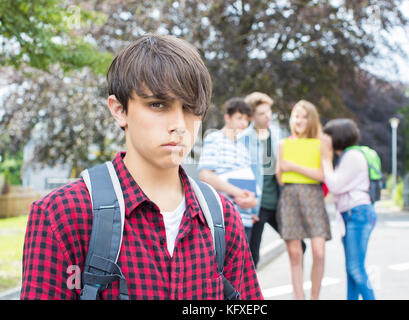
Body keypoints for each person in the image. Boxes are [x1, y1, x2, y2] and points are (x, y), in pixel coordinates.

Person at [20, 34, 262, 300]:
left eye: (191, 107)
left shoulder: (223, 219)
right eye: (158, 104)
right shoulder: (62, 215)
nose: (179, 124)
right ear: (119, 109)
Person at [238, 92, 307, 269]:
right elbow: (242, 174)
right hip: (257, 206)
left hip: (278, 202)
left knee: (300, 245)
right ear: (252, 117)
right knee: (251, 257)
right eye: (262, 113)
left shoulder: (277, 134)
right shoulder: (244, 139)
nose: (267, 116)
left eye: (268, 111)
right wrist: (247, 209)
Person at [276, 100, 331, 300]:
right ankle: (298, 297)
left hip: (313, 199)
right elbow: (280, 177)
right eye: (296, 116)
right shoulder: (283, 144)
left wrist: (293, 166)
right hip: (290, 198)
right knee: (295, 254)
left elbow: (322, 174)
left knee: (319, 252)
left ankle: (314, 297)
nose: (299, 120)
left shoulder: (322, 143)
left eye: (304, 116)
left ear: (312, 119)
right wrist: (286, 169)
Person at [321, 118, 377, 300]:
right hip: (352, 215)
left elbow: (335, 186)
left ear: (337, 136)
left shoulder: (352, 156)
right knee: (351, 269)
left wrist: (326, 161)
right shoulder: (347, 156)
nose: (324, 138)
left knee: (355, 268)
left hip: (357, 214)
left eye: (327, 135)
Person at [198, 97, 258, 241]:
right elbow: (205, 175)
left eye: (246, 119)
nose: (244, 123)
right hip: (223, 218)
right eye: (239, 118)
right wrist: (238, 193)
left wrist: (252, 203)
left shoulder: (243, 148)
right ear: (227, 118)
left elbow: (252, 186)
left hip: (245, 219)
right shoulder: (214, 139)